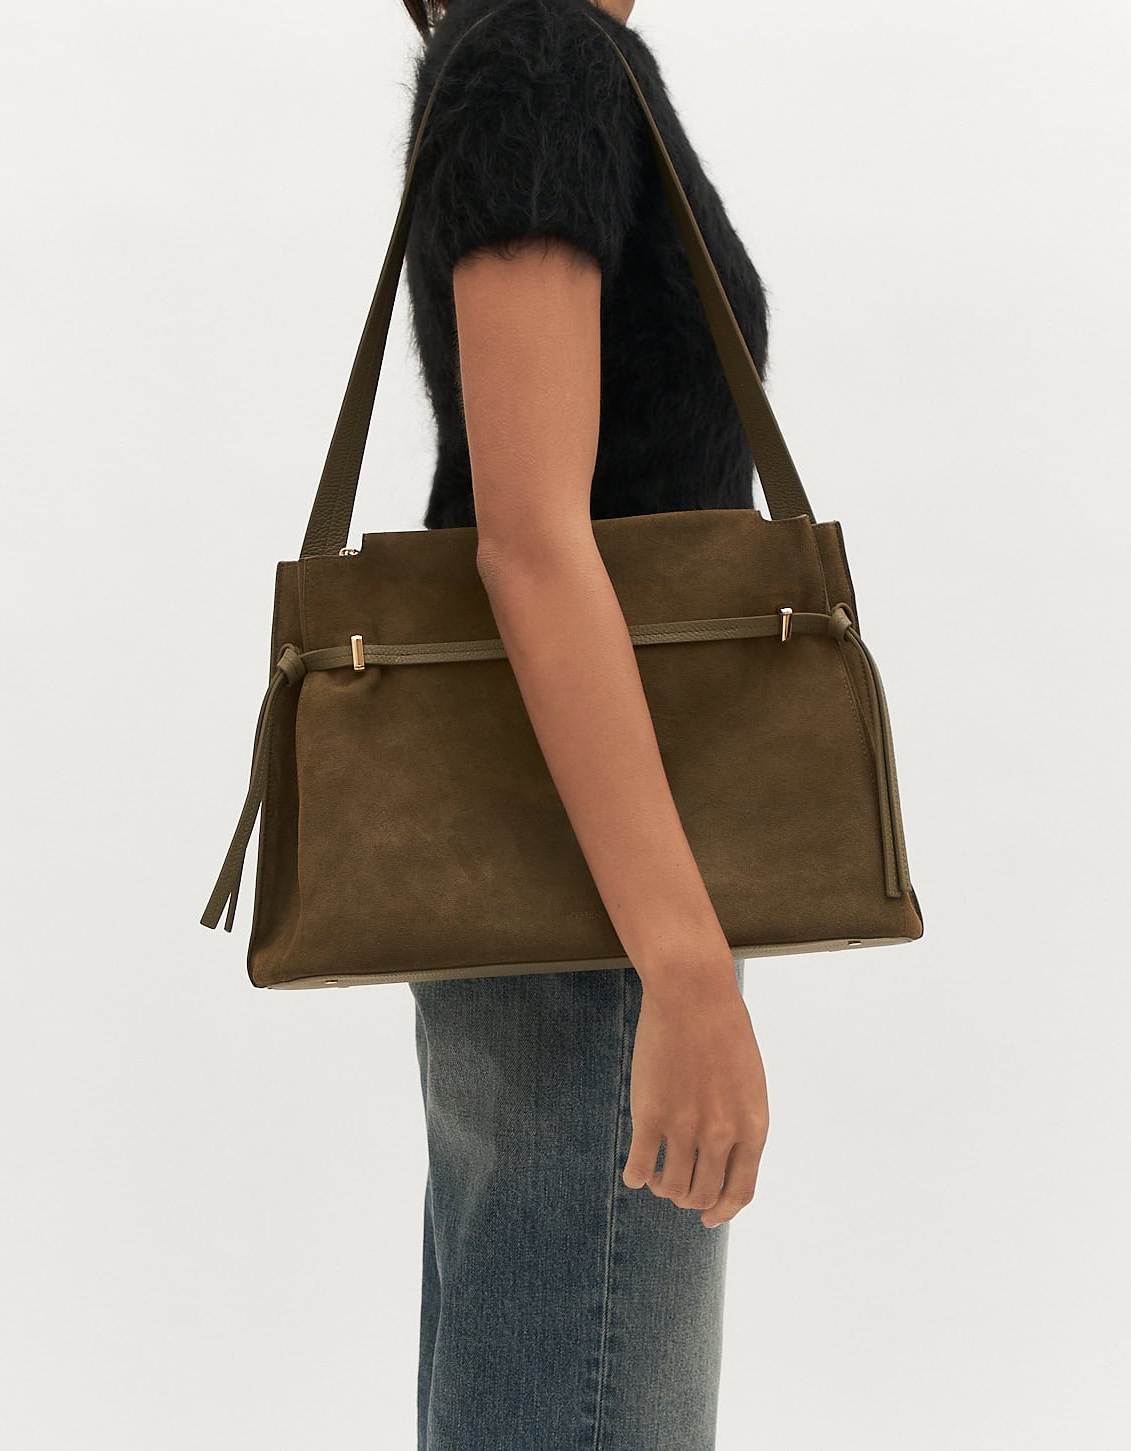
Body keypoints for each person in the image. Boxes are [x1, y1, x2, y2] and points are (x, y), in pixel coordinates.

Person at [398, 1, 770, 1446]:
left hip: (569, 894)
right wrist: (681, 964)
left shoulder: (536, 58)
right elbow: (532, 540)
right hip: (595, 917)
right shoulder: (536, 59)